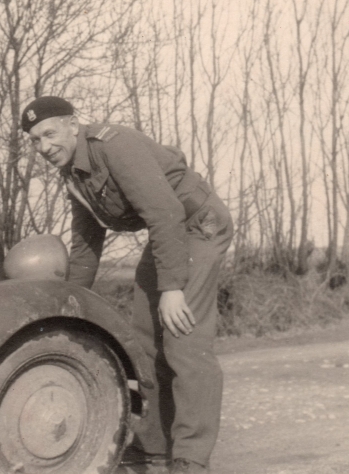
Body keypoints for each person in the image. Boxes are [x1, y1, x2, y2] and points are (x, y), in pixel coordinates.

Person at [22, 96, 233, 474]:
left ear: (73, 124)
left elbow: (165, 211)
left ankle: (190, 459)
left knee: (183, 339)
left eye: (50, 134)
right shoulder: (73, 176)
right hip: (168, 235)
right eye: (35, 140)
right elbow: (86, 246)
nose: (44, 147)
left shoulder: (114, 145)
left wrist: (172, 289)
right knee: (144, 339)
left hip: (198, 224)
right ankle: (152, 450)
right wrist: (71, 303)